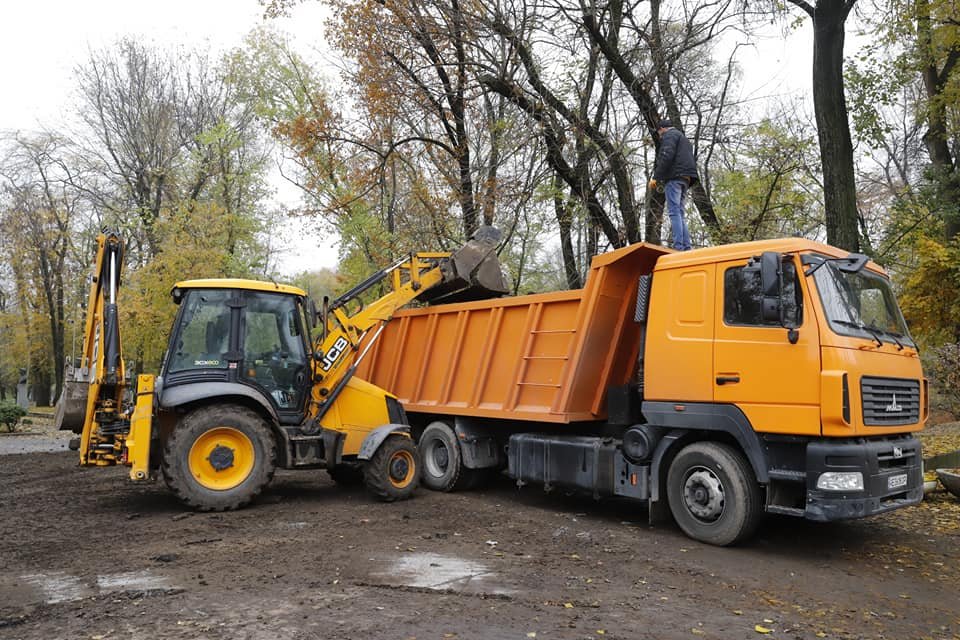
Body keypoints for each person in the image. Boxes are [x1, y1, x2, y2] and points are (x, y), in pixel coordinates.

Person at [649, 118, 698, 251]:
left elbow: (666, 155)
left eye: (659, 132)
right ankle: (686, 246)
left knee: (674, 212)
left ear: (662, 129)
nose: (659, 136)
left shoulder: (669, 136)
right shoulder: (684, 139)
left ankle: (678, 246)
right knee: (680, 213)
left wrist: (656, 177)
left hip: (674, 177)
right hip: (686, 178)